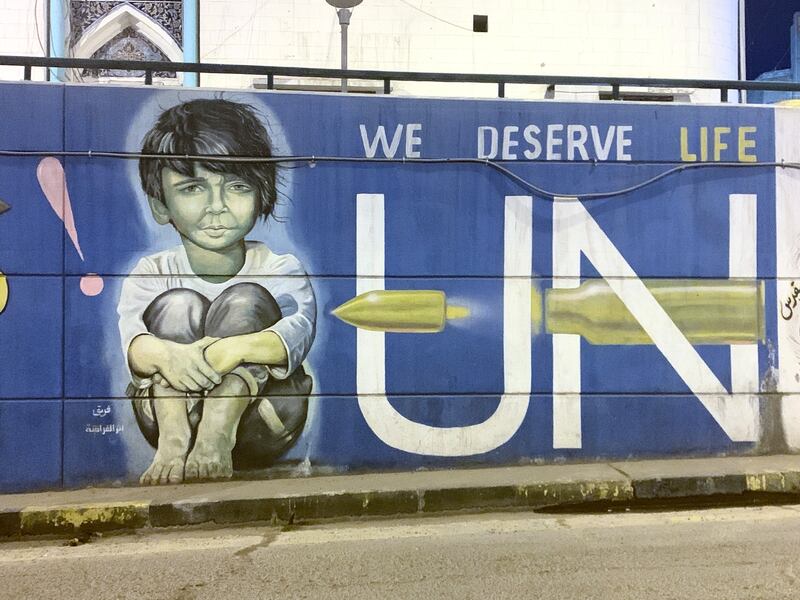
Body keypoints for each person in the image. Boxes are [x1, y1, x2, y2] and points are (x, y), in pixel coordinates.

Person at [117, 98, 315, 485]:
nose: (217, 207)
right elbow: (135, 346)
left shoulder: (280, 268)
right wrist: (170, 355)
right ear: (161, 206)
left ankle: (216, 434)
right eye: (192, 188)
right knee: (177, 305)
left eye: (236, 187)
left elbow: (296, 334)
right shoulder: (151, 272)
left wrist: (231, 350)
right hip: (171, 419)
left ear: (261, 193)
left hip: (263, 422)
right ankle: (175, 441)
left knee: (246, 300)